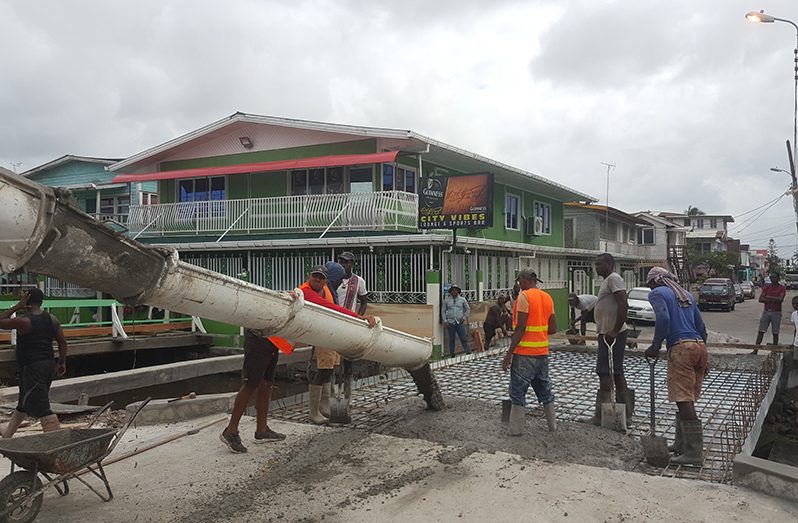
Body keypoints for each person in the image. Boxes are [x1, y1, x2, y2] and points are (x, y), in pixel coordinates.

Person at [644, 267, 708, 465]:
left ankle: (694, 453)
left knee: (682, 399)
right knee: (688, 397)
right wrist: (703, 356)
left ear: (655, 282)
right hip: (699, 345)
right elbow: (701, 327)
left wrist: (655, 346)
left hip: (681, 348)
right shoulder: (686, 294)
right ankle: (681, 444)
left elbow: (663, 319)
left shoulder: (657, 293)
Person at [300, 265, 376, 424]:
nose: (318, 280)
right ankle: (314, 412)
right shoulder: (306, 291)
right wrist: (357, 317)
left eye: (321, 278)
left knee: (329, 370)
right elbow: (332, 308)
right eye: (315, 276)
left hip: (332, 333)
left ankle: (325, 406)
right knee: (324, 370)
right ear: (309, 276)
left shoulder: (327, 290)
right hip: (322, 335)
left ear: (326, 280)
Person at [0, 289, 67, 438]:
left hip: (33, 367)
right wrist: (62, 361)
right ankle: (8, 433)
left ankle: (57, 442)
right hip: (49, 364)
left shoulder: (24, 321)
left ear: (27, 301)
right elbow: (62, 342)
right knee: (23, 402)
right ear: (41, 301)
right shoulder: (52, 319)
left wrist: (17, 306)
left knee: (42, 406)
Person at [502, 269, 557, 435]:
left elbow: (521, 327)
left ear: (524, 280)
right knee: (545, 389)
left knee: (518, 391)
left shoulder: (524, 297)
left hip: (524, 354)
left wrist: (509, 353)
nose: (519, 285)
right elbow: (553, 328)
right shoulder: (547, 297)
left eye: (519, 282)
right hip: (542, 353)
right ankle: (552, 426)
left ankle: (516, 430)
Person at [220, 330, 291, 453]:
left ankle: (261, 430)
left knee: (266, 383)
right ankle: (231, 431)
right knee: (251, 384)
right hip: (258, 337)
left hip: (273, 338)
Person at [590, 253, 634, 425]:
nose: (596, 267)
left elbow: (623, 304)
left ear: (609, 264)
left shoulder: (613, 279)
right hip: (607, 333)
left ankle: (604, 416)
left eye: (599, 264)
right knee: (615, 372)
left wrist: (614, 330)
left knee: (605, 372)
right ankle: (624, 414)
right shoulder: (608, 280)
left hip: (611, 335)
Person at [752, 272, 786, 355]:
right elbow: (760, 299)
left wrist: (767, 297)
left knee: (775, 332)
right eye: (771, 277)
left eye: (774, 277)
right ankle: (756, 350)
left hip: (776, 312)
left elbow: (780, 299)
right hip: (767, 311)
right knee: (761, 331)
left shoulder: (781, 288)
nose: (772, 279)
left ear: (778, 278)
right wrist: (774, 299)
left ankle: (774, 351)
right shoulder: (767, 287)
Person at [442, 284, 470, 356]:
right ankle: (452, 354)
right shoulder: (446, 300)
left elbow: (467, 309)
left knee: (463, 337)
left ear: (458, 291)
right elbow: (443, 311)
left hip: (459, 322)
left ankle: (467, 351)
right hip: (450, 322)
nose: (454, 291)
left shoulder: (462, 300)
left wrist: (464, 317)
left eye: (455, 290)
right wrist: (445, 321)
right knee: (451, 339)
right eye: (453, 290)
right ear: (451, 291)